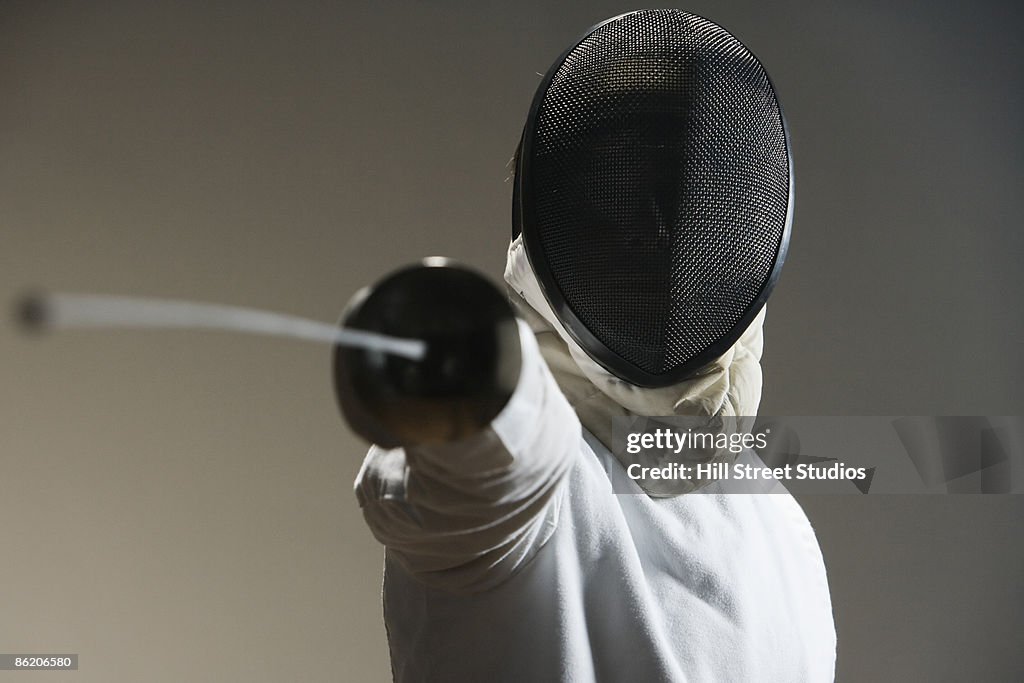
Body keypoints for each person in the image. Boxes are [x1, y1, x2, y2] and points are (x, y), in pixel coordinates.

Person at [345, 10, 837, 682]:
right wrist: (474, 388)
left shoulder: (783, 529)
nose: (663, 230)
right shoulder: (524, 495)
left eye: (694, 188)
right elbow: (492, 471)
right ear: (553, 207)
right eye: (623, 193)